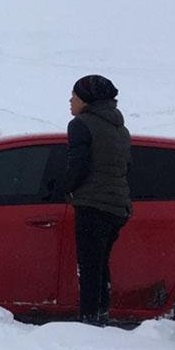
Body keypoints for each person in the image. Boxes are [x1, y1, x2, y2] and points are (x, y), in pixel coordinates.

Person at [65, 74, 131, 326]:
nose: (70, 100)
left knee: (89, 268)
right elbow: (127, 167)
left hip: (93, 204)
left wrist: (67, 189)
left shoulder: (82, 124)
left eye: (75, 96)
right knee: (100, 264)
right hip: (117, 207)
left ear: (87, 100)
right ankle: (101, 315)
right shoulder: (120, 129)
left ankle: (89, 322)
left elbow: (78, 165)